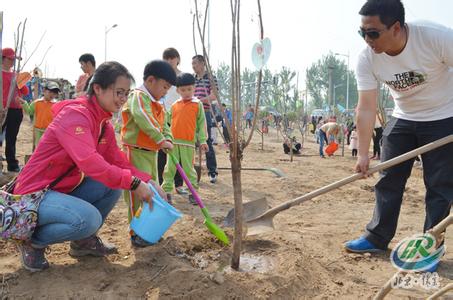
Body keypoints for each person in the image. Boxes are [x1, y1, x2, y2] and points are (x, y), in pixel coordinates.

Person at [12, 61, 164, 272]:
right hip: (35, 193)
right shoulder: (75, 115)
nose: (122, 99)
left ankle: (82, 243)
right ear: (98, 88)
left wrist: (148, 180)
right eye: (118, 92)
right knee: (88, 219)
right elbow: (90, 163)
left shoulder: (104, 124)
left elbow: (117, 161)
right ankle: (33, 241)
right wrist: (135, 182)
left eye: (126, 94)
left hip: (59, 190)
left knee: (112, 185)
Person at [345, 0, 453, 273]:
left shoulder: (436, 38)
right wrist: (366, 152)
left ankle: (430, 246)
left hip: (444, 117)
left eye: (373, 33)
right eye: (362, 33)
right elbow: (367, 107)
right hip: (403, 118)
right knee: (388, 179)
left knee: (439, 187)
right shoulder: (367, 58)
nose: (367, 40)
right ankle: (377, 237)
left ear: (396, 28)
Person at [121, 60, 175, 247]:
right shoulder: (138, 96)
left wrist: (168, 138)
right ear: (151, 80)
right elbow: (142, 117)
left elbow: (164, 124)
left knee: (153, 192)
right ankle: (135, 232)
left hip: (152, 154)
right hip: (135, 152)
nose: (166, 92)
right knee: (138, 193)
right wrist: (160, 139)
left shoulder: (158, 104)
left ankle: (146, 229)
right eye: (165, 87)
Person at [162, 73, 208, 205]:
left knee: (189, 169)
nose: (186, 92)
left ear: (194, 88)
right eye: (183, 90)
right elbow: (166, 121)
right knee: (169, 169)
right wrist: (165, 137)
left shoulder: (197, 104)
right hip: (173, 143)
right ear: (177, 90)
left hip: (188, 143)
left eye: (189, 89)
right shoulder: (175, 105)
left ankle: (193, 193)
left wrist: (203, 140)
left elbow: (201, 124)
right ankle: (167, 192)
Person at [158, 48, 185, 194]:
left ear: (178, 59)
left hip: (178, 117)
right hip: (162, 116)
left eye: (172, 58)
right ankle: (161, 183)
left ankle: (179, 184)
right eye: (166, 59)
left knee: (178, 151)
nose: (169, 61)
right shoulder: (160, 77)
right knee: (162, 150)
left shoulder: (182, 77)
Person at [1, 47, 29, 172]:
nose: (12, 61)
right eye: (10, 59)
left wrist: (19, 81)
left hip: (16, 110)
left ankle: (12, 164)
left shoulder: (16, 75)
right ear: (3, 58)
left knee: (11, 138)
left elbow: (25, 91)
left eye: (14, 59)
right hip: (2, 110)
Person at [192, 54, 218, 183]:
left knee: (206, 141)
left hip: (205, 111)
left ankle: (212, 171)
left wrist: (198, 101)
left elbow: (214, 96)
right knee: (190, 142)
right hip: (191, 112)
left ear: (202, 63)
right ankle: (191, 172)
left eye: (195, 63)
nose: (193, 66)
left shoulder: (211, 78)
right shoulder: (192, 79)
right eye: (192, 64)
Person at [21, 81, 61, 149]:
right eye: (50, 92)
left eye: (54, 93)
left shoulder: (57, 105)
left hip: (50, 131)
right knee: (39, 147)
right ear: (44, 91)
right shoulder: (37, 103)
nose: (52, 94)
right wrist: (24, 103)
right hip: (38, 130)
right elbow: (29, 111)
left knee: (48, 147)